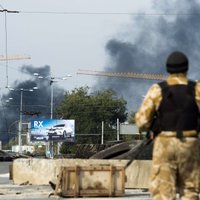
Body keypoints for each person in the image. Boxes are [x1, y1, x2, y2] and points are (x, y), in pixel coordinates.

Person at [135, 51, 200, 200]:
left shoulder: (158, 89)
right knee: (190, 190)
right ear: (186, 68)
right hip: (190, 143)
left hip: (164, 144)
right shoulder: (196, 89)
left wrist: (153, 127)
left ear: (167, 69)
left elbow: (142, 121)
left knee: (163, 191)